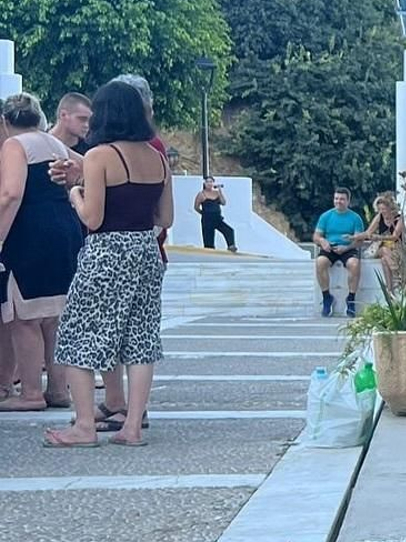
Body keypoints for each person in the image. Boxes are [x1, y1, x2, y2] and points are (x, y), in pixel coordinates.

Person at [46, 80, 172, 447]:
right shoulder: (158, 158)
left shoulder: (101, 155)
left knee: (77, 333)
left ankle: (84, 426)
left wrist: (74, 193)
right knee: (141, 338)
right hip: (145, 251)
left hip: (106, 252)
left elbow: (93, 218)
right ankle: (132, 427)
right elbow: (165, 217)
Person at [0, 93, 81, 411]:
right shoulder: (54, 144)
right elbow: (85, 168)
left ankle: (31, 392)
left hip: (30, 231)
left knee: (24, 316)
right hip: (64, 229)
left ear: (6, 122)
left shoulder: (14, 145)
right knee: (53, 315)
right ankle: (59, 390)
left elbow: (11, 193)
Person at [313, 187, 365, 317]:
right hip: (330, 247)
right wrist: (323, 241)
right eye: (336, 198)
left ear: (348, 201)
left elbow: (359, 240)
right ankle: (326, 297)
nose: (338, 201)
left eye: (342, 199)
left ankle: (351, 299)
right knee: (320, 262)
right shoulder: (326, 216)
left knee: (354, 264)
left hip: (348, 248)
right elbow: (316, 236)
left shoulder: (355, 218)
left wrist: (346, 248)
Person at [361, 191, 405, 291]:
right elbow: (368, 232)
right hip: (382, 247)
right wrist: (356, 237)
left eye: (384, 209)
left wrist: (380, 237)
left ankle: (390, 291)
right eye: (380, 209)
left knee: (384, 260)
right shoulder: (379, 217)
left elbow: (395, 237)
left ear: (390, 208)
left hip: (396, 247)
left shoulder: (399, 219)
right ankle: (397, 274)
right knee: (385, 250)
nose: (382, 211)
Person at [193, 176, 238, 252]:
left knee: (229, 230)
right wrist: (203, 213)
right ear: (204, 183)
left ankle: (231, 246)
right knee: (208, 239)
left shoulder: (216, 193)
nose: (209, 184)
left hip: (217, 218)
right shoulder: (201, 194)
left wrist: (220, 192)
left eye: (211, 182)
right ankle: (210, 252)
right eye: (208, 182)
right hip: (207, 220)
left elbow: (223, 203)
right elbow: (196, 207)